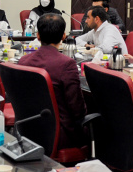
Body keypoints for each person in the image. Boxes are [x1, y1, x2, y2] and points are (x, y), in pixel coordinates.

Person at [19, 14, 87, 150]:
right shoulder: (67, 64)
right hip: (60, 135)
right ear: (63, 36)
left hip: (28, 130)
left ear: (38, 36)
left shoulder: (23, 61)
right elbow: (77, 110)